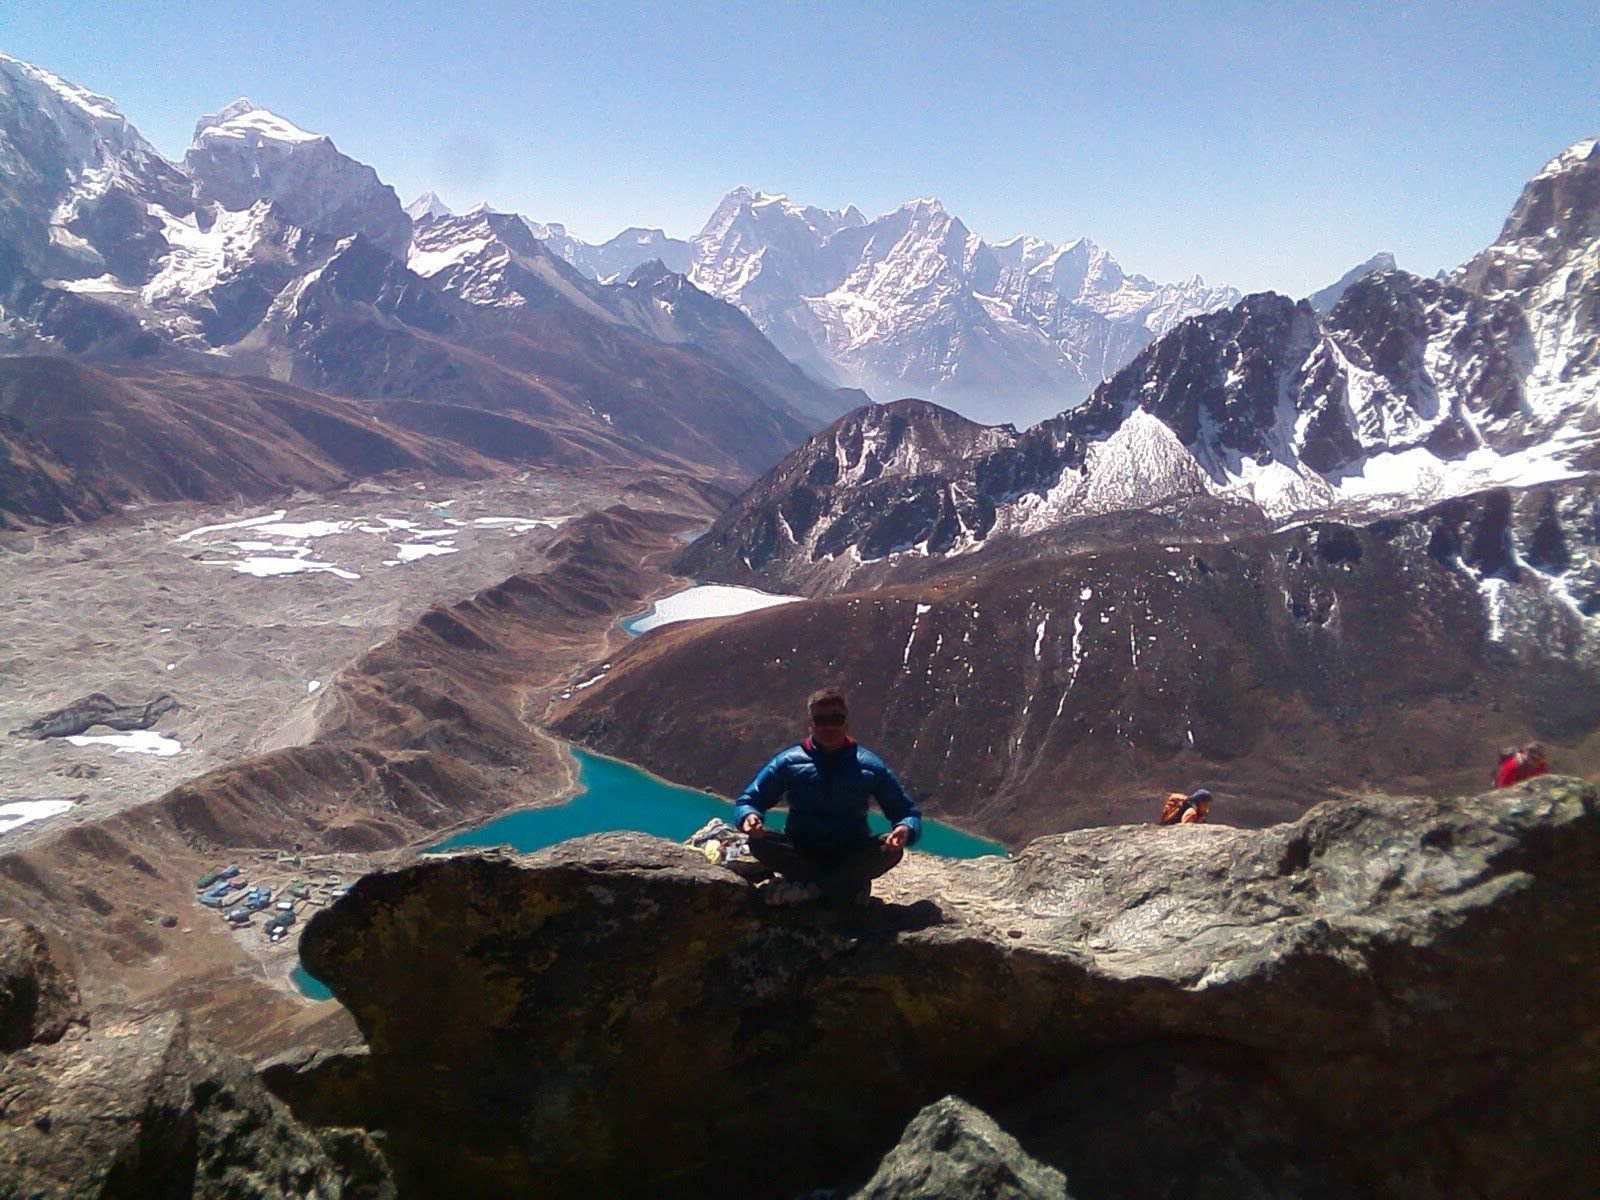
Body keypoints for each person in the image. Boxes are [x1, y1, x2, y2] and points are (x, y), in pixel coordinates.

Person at [734, 688, 921, 906]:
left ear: (846, 723)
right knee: (760, 842)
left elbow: (906, 813)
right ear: (811, 724)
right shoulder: (788, 762)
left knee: (889, 851)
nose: (829, 726)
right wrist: (749, 817)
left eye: (836, 719)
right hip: (801, 850)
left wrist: (905, 830)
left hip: (849, 851)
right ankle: (842, 887)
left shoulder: (870, 766)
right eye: (821, 720)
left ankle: (811, 887)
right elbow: (749, 800)